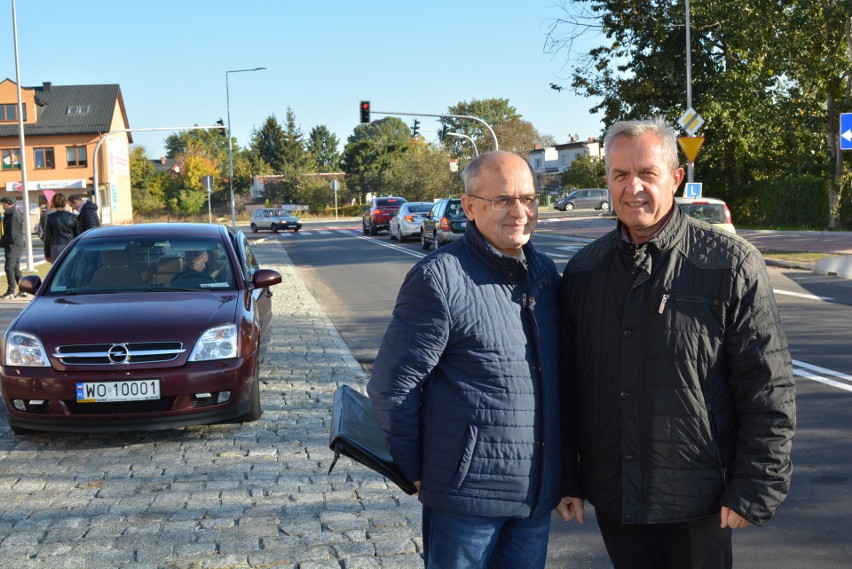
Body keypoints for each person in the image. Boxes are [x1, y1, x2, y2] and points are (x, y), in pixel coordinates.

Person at [559, 117, 796, 569]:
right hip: (615, 494)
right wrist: (568, 478)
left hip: (699, 497)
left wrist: (757, 485)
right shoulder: (585, 272)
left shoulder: (729, 264)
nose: (633, 188)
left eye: (647, 173)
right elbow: (570, 387)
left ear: (676, 178)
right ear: (607, 180)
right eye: (620, 175)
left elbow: (767, 386)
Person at [367, 151, 579, 569]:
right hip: (466, 500)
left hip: (534, 498)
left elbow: (558, 384)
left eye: (529, 198)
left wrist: (565, 476)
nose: (520, 211)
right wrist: (412, 469)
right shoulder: (439, 278)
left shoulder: (544, 273)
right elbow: (393, 386)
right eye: (503, 200)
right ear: (469, 206)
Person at [43, 194, 79, 263]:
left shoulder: (50, 217)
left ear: (53, 203)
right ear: (65, 203)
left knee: (58, 270)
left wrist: (47, 254)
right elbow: (77, 234)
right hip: (70, 245)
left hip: (56, 246)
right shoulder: (72, 216)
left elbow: (47, 238)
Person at [0, 196, 24, 299]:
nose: (2, 206)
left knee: (9, 268)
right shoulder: (10, 214)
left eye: (2, 204)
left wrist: (1, 243)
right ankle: (24, 290)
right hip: (13, 245)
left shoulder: (14, 215)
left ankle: (10, 291)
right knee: (15, 268)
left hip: (13, 245)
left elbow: (12, 235)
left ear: (7, 204)